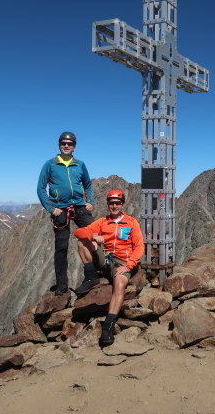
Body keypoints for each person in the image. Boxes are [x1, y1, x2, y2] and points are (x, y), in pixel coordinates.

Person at [73, 189, 144, 346]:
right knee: (83, 242)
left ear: (123, 204)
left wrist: (128, 266)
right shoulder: (102, 222)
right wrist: (92, 236)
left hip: (122, 262)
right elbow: (78, 232)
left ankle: (108, 327)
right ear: (108, 205)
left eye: (117, 203)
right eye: (111, 203)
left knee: (119, 285)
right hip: (106, 259)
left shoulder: (132, 222)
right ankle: (92, 278)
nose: (114, 206)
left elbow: (139, 247)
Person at [37, 131, 95, 295]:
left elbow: (87, 184)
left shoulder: (80, 164)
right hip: (59, 209)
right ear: (59, 145)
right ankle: (62, 284)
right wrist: (51, 208)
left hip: (79, 206)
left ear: (74, 147)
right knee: (61, 247)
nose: (66, 146)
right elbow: (41, 188)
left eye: (70, 144)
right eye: (63, 143)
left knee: (94, 234)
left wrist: (90, 201)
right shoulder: (50, 164)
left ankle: (93, 275)